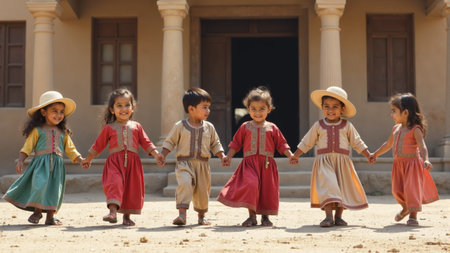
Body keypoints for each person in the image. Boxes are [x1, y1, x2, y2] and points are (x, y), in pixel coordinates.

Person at [290, 86, 371, 227]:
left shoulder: (347, 126)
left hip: (342, 163)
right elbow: (307, 142)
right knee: (329, 187)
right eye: (326, 106)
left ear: (342, 109)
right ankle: (328, 216)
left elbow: (357, 142)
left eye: (335, 107)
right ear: (322, 108)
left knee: (341, 188)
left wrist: (368, 155)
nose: (330, 110)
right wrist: (295, 155)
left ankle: (338, 217)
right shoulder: (318, 125)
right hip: (324, 162)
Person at [82, 88, 164, 226]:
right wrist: (88, 159)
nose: (123, 108)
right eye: (119, 105)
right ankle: (112, 212)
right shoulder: (109, 127)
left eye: (127, 105)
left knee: (131, 189)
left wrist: (156, 154)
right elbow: (98, 145)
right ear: (112, 110)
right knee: (115, 183)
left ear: (133, 108)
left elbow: (146, 142)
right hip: (114, 162)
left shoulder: (137, 126)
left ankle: (127, 216)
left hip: (133, 164)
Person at [3, 91, 84, 225]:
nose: (59, 115)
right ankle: (37, 211)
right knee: (39, 185)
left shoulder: (63, 132)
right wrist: (21, 160)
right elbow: (27, 147)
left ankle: (50, 217)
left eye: (61, 112)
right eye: (54, 111)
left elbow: (70, 149)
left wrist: (80, 160)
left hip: (58, 166)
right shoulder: (37, 130)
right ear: (43, 112)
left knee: (54, 189)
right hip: (40, 164)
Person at [217, 86, 294, 227]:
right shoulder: (245, 127)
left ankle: (265, 217)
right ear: (248, 109)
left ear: (269, 109)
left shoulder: (272, 128)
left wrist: (290, 155)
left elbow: (281, 144)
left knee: (266, 190)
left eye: (261, 109)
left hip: (267, 164)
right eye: (253, 109)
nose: (257, 112)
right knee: (251, 186)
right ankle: (252, 216)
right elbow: (236, 143)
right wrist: (228, 156)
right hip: (249, 164)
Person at [370, 93, 439, 226]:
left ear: (405, 112)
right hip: (398, 165)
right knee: (397, 190)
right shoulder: (395, 128)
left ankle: (413, 216)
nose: (391, 114)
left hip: (412, 165)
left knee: (411, 190)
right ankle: (405, 208)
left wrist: (426, 159)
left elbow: (422, 146)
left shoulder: (415, 129)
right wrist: (376, 154)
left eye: (394, 111)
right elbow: (388, 144)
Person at [160, 87, 225, 226]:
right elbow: (170, 141)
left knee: (202, 192)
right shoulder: (180, 126)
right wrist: (162, 155)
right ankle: (182, 215)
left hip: (203, 165)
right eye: (205, 107)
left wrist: (222, 156)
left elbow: (215, 143)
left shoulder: (209, 127)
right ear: (191, 109)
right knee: (184, 184)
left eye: (209, 107)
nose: (208, 111)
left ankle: (202, 216)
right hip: (184, 163)